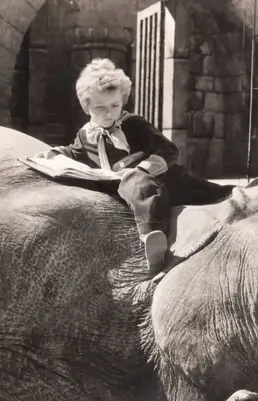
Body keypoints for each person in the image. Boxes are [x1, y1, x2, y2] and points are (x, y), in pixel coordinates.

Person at [48, 58, 235, 277]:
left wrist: (144, 169)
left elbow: (168, 149)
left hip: (160, 179)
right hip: (125, 188)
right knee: (132, 187)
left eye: (115, 106)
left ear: (123, 101)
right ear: (86, 106)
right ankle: (154, 244)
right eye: (100, 108)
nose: (109, 113)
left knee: (211, 192)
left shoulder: (132, 124)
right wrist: (53, 154)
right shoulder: (85, 135)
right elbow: (74, 152)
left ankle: (151, 236)